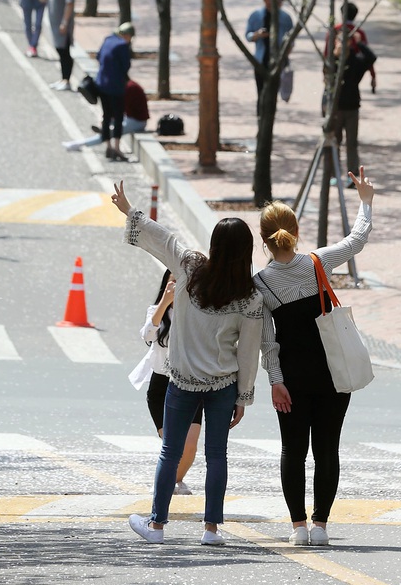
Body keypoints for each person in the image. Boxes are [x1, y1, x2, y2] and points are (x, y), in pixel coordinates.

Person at [112, 181, 286, 545]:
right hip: (223, 385)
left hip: (181, 381)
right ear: (246, 251)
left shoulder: (190, 268)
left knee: (170, 451)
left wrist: (130, 210)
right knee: (217, 455)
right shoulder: (250, 297)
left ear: (214, 246)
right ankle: (211, 530)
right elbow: (248, 352)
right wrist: (243, 397)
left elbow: (163, 238)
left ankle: (157, 526)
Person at [257, 169, 375, 546]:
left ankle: (297, 528)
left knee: (293, 450)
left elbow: (267, 340)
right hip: (332, 372)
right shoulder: (318, 263)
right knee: (327, 448)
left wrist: (275, 380)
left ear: (264, 239)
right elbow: (356, 240)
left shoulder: (261, 284)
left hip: (291, 377)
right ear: (295, 231)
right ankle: (321, 526)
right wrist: (366, 201)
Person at [136, 272, 200, 496]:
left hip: (192, 382)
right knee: (173, 444)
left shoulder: (199, 310)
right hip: (162, 383)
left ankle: (174, 480)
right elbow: (148, 335)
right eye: (173, 280)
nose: (177, 285)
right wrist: (165, 302)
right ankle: (167, 484)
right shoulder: (157, 311)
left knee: (190, 444)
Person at [324, 27, 376, 172]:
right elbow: (326, 82)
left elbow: (371, 58)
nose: (342, 43)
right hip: (336, 107)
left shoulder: (356, 59)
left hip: (352, 106)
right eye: (340, 40)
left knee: (352, 143)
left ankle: (352, 174)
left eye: (346, 40)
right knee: (334, 142)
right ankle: (333, 173)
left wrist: (359, 43)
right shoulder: (331, 60)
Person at [245, 0, 296, 102]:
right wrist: (256, 35)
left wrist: (287, 50)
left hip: (278, 61)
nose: (268, 2)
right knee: (261, 93)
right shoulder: (256, 16)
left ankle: (269, 116)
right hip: (260, 60)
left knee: (272, 95)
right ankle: (261, 116)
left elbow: (291, 39)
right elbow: (248, 35)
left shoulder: (285, 18)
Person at [97, 21, 135, 162]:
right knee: (118, 116)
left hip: (101, 83)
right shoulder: (122, 46)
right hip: (116, 86)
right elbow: (126, 65)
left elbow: (98, 57)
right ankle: (117, 147)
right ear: (127, 35)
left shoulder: (108, 39)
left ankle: (108, 145)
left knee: (106, 116)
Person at [323, 1, 377, 93]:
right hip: (354, 71)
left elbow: (326, 54)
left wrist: (325, 74)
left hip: (335, 67)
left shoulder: (334, 31)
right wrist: (373, 76)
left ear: (341, 14)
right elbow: (368, 57)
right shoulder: (359, 33)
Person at [41, 0, 77, 88]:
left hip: (63, 25)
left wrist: (65, 22)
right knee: (59, 50)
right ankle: (63, 79)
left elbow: (69, 4)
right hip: (54, 24)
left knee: (64, 50)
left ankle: (67, 79)